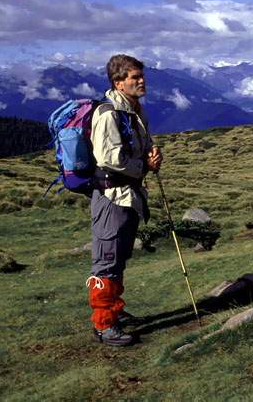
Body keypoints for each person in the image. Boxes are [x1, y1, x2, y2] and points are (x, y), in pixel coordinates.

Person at [85, 54, 162, 346]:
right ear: (119, 82)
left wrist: (153, 154)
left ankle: (114, 311)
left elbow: (143, 144)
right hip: (112, 197)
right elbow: (110, 158)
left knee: (118, 258)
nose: (141, 81)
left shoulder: (133, 110)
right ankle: (104, 325)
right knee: (106, 261)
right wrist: (144, 166)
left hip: (129, 195)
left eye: (141, 76)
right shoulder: (109, 114)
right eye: (135, 77)